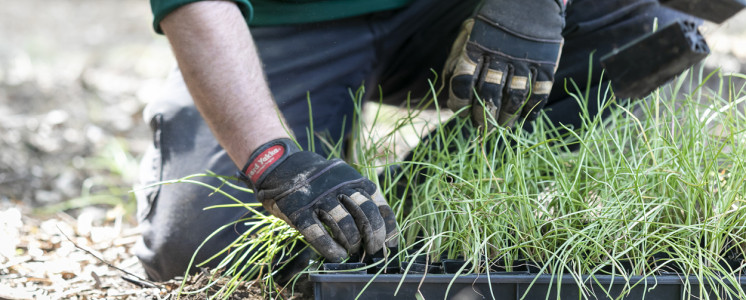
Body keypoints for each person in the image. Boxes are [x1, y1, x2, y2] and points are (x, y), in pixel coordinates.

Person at [134, 0, 696, 281]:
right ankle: (352, 201)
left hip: (453, 10)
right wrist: (274, 160)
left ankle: (421, 194)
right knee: (204, 247)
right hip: (279, 21)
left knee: (643, 37)